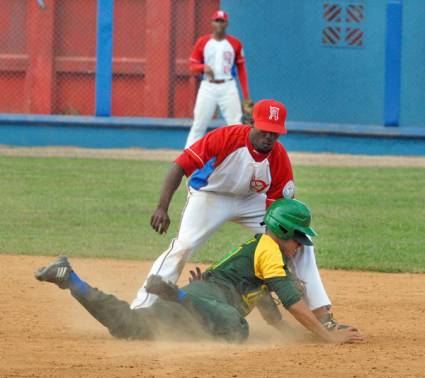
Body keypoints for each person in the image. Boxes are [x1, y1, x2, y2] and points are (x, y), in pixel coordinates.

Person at [35, 199, 363, 344]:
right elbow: (293, 302)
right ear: (282, 231)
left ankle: (70, 278)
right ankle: (174, 294)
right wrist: (327, 336)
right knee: (237, 331)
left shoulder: (264, 253)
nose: (301, 247)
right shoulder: (270, 252)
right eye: (298, 239)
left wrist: (301, 338)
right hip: (209, 303)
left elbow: (273, 313)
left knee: (129, 326)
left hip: (204, 302)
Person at [185, 9, 252, 148]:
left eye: (222, 21)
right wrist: (203, 67)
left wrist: (246, 96)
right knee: (199, 124)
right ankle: (187, 161)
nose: (219, 24)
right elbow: (192, 66)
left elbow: (241, 70)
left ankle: (242, 158)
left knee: (236, 125)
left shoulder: (235, 43)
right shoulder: (203, 42)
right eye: (216, 20)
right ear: (212, 23)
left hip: (227, 85)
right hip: (208, 86)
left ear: (227, 23)